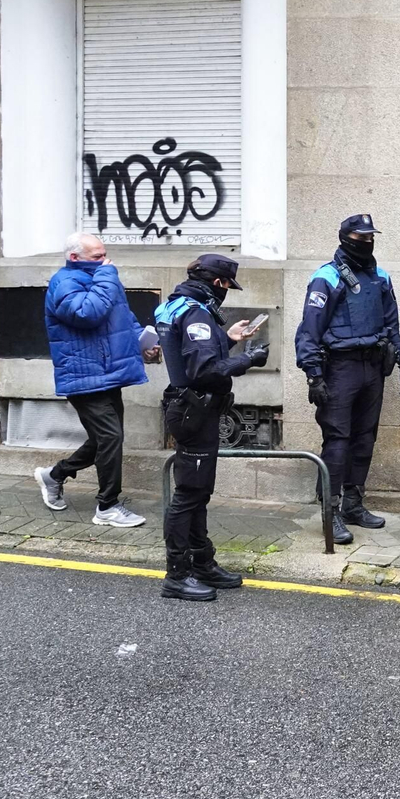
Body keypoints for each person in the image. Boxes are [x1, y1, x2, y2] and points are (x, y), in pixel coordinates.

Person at [153, 255, 268, 602]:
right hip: (195, 411)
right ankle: (177, 575)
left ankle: (202, 562)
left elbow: (191, 355)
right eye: (227, 287)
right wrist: (248, 358)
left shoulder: (177, 305)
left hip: (192, 408)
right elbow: (205, 370)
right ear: (219, 284)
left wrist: (227, 338)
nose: (227, 294)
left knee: (198, 493)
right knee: (188, 496)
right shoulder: (197, 313)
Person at [295, 214, 400, 546]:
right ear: (345, 238)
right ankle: (329, 512)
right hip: (340, 369)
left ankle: (353, 504)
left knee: (364, 439)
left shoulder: (380, 277)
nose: (367, 242)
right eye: (361, 238)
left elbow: (391, 324)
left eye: (371, 237)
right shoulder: (326, 278)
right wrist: (314, 375)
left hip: (372, 366)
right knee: (338, 440)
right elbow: (309, 332)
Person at [33, 233, 152, 528]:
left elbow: (120, 314)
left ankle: (55, 475)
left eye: (104, 255)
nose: (105, 260)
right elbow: (87, 313)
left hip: (108, 372)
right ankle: (107, 507)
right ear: (75, 257)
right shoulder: (64, 283)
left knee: (106, 439)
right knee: (110, 438)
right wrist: (107, 274)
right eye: (97, 256)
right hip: (83, 374)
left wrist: (140, 339)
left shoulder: (101, 277)